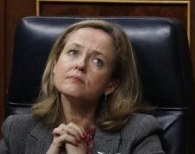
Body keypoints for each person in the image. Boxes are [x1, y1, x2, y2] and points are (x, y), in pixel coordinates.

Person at [0, 20, 165, 153]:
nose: (80, 64)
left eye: (97, 61)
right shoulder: (16, 130)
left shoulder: (138, 132)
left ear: (111, 84)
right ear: (55, 65)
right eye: (73, 52)